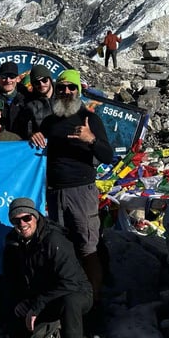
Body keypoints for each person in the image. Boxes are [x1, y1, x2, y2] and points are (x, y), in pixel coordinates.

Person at [29, 69, 113, 320]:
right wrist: (35, 136)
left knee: (88, 246)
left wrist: (91, 139)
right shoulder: (50, 121)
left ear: (79, 91)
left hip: (81, 191)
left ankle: (94, 302)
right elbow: (40, 146)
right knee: (61, 247)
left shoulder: (90, 119)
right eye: (63, 87)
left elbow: (108, 156)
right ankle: (67, 298)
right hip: (54, 193)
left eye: (71, 88)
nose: (66, 92)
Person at [3, 198, 93, 338]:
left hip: (76, 292)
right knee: (20, 337)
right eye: (16, 220)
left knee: (70, 302)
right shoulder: (13, 242)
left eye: (27, 218)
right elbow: (11, 278)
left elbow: (70, 282)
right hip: (41, 297)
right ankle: (54, 324)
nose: (22, 224)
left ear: (35, 217)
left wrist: (37, 306)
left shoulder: (54, 240)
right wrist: (20, 302)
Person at [15, 64, 55, 139]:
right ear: (33, 85)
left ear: (50, 79)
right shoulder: (29, 104)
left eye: (44, 80)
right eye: (37, 83)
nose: (41, 84)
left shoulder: (64, 94)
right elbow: (24, 129)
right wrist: (32, 134)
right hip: (44, 146)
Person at [0, 61, 29, 133]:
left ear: (18, 78)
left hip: (22, 141)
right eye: (4, 77)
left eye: (12, 77)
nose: (8, 80)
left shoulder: (28, 98)